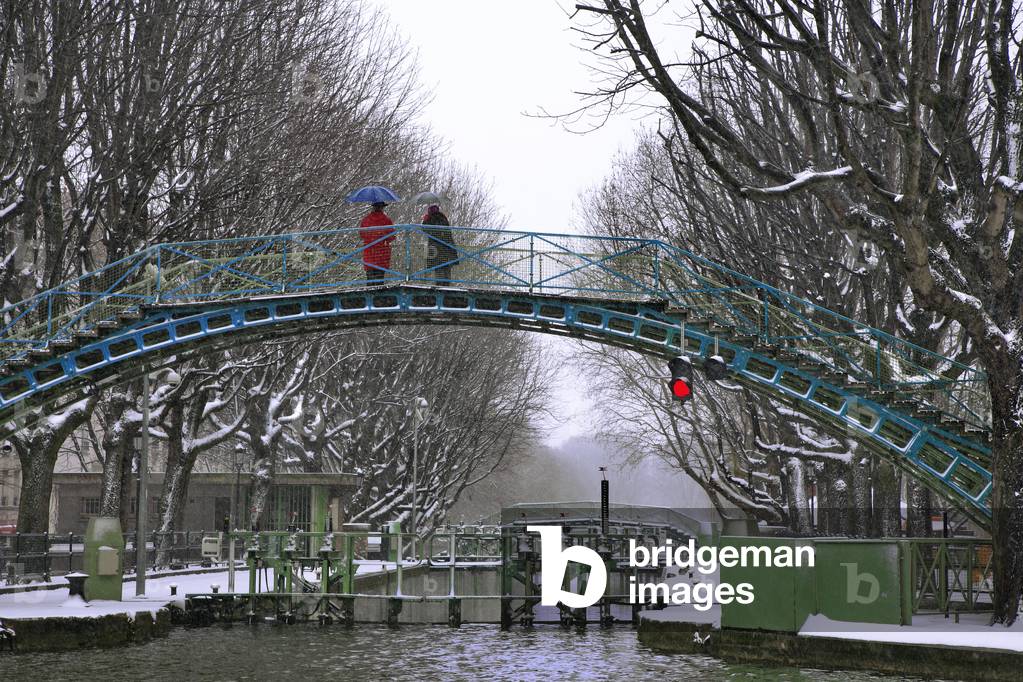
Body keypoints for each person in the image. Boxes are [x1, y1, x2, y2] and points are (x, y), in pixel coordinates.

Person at [359, 201, 396, 284]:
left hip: (369, 253)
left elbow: (362, 234)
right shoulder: (386, 220)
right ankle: (378, 295)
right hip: (381, 253)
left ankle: (370, 294)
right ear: (382, 208)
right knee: (379, 279)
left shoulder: (366, 220)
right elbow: (392, 237)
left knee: (370, 278)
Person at [421, 204, 456, 285]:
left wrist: (425, 220)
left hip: (436, 248)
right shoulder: (443, 218)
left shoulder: (432, 219)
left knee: (438, 267)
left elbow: (425, 230)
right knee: (446, 267)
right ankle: (446, 285)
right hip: (447, 247)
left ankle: (440, 285)